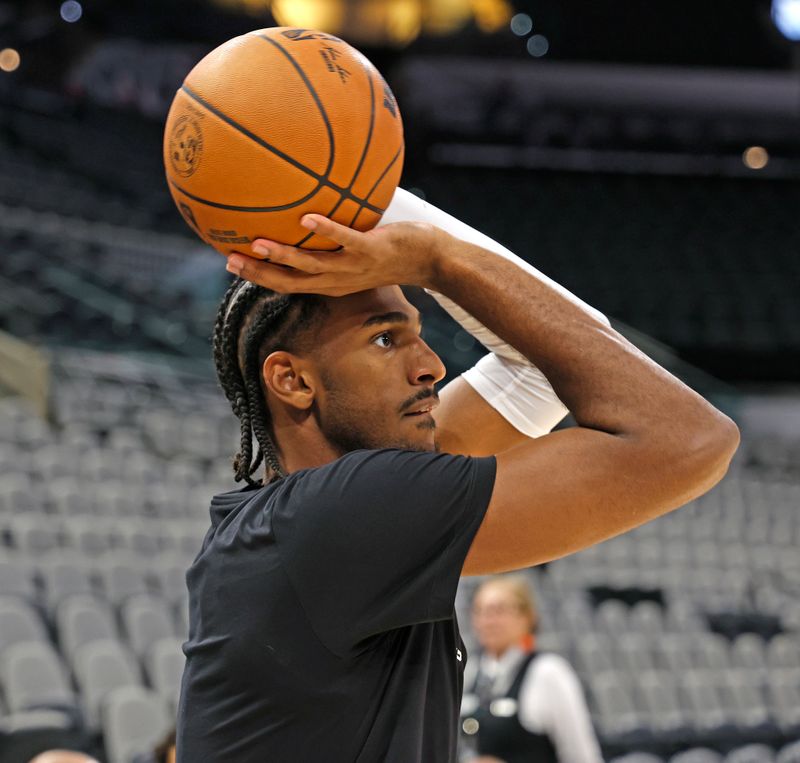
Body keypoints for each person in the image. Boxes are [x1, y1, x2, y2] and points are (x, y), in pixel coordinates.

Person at [175, 189, 739, 762]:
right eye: (385, 338)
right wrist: (429, 256)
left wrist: (370, 204)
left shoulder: (298, 517)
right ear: (293, 381)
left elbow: (540, 367)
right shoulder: (349, 511)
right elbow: (692, 439)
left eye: (417, 333)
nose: (432, 366)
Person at [460, 575, 602, 763]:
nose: (488, 621)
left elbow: (583, 758)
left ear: (527, 617)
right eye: (480, 611)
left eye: (498, 610)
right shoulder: (470, 670)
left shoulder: (548, 672)